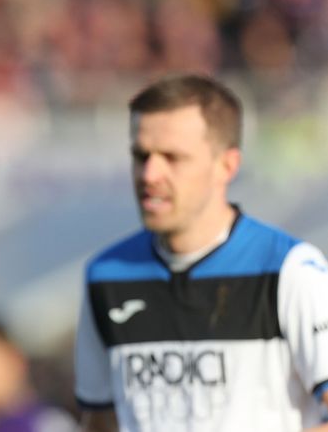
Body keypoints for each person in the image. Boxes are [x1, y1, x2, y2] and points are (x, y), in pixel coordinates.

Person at [74, 75, 328, 432]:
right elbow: (100, 421)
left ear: (227, 165)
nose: (150, 174)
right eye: (140, 155)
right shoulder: (106, 275)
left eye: (172, 157)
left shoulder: (290, 269)